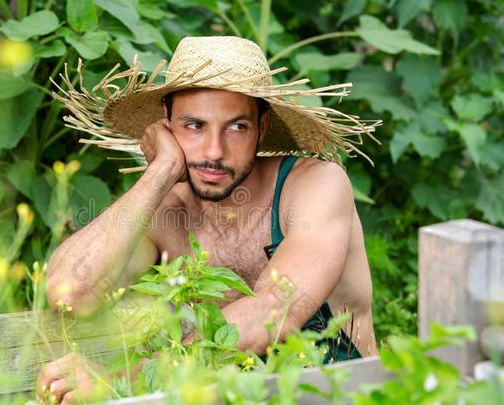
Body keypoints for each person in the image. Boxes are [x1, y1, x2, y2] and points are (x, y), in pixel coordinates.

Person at [37, 36, 380, 404]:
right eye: (194, 126)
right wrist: (160, 171)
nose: (214, 151)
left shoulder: (314, 187)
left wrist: (120, 383)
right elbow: (70, 293)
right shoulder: (167, 211)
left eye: (236, 127)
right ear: (167, 125)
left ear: (262, 128)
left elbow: (273, 312)